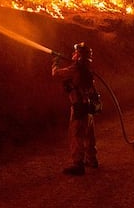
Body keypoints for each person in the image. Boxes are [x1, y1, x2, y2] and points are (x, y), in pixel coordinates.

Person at [51, 42, 98, 176]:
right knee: (89, 135)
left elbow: (56, 74)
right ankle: (92, 159)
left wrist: (55, 61)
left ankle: (78, 164)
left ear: (79, 56)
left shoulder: (75, 69)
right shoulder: (87, 70)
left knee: (76, 135)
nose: (73, 54)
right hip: (88, 107)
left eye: (75, 52)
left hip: (78, 107)